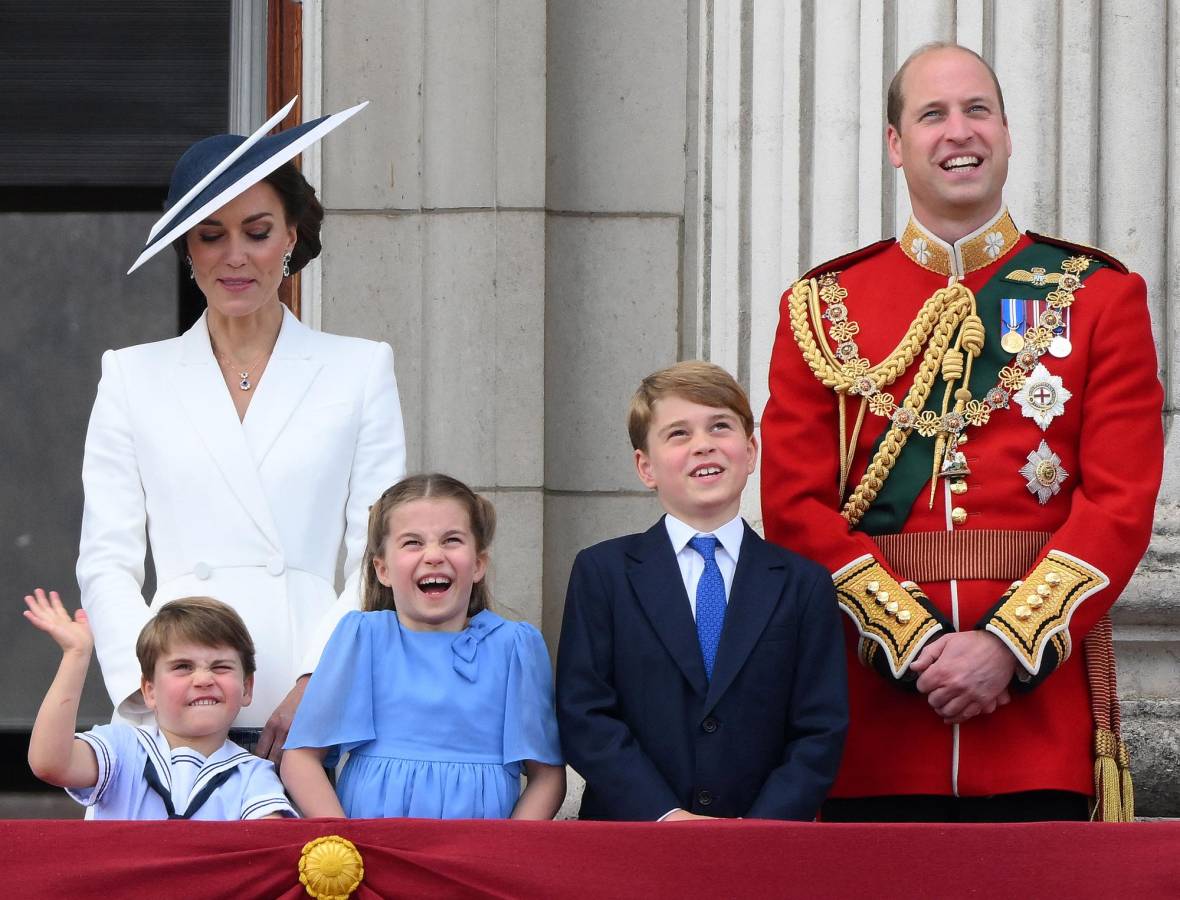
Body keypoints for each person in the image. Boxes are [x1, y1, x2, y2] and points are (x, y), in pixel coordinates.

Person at [761, 43, 1164, 822]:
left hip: (1035, 723)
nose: (959, 132)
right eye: (932, 114)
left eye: (978, 110)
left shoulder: (1099, 297)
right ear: (894, 144)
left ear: (1007, 133)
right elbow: (794, 508)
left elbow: (1119, 504)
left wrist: (1007, 647)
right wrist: (912, 646)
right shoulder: (822, 306)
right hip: (874, 728)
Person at [76, 98, 406, 761]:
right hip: (171, 705)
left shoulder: (360, 368)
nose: (235, 257)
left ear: (290, 236)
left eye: (257, 232)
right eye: (210, 233)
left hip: (310, 703)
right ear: (184, 246)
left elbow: (380, 552)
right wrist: (152, 688)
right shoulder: (131, 377)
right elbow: (106, 562)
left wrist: (320, 678)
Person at [556, 361, 848, 821]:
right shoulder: (603, 572)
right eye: (678, 434)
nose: (703, 445)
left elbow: (820, 728)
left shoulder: (802, 582)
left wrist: (759, 829)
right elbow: (585, 713)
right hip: (633, 838)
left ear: (750, 452)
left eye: (720, 426)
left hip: (760, 846)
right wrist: (665, 816)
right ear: (645, 466)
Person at [281, 473, 566, 819]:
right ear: (382, 569)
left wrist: (505, 855)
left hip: (476, 859)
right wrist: (345, 842)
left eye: (451, 540)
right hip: (375, 853)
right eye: (413, 542)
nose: (433, 555)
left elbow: (547, 776)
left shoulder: (515, 648)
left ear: (478, 564)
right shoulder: (362, 638)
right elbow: (300, 758)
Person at [24, 590, 294, 820]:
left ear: (247, 688)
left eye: (220, 667)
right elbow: (50, 763)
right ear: (149, 691)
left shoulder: (253, 775)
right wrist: (76, 654)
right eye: (183, 667)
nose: (203, 679)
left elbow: (266, 851)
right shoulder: (122, 748)